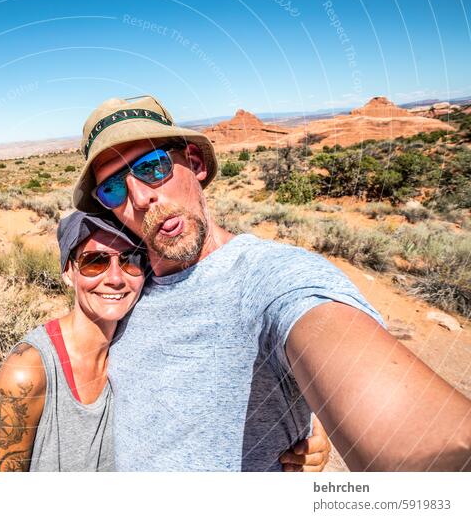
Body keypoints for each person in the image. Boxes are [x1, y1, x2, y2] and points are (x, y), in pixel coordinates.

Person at [71, 94, 471, 471]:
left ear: (195, 162)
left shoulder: (272, 281)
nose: (140, 198)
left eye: (152, 166)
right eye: (113, 187)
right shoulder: (121, 289)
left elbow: (415, 440)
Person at [0, 211, 332, 471]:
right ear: (68, 271)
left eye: (131, 260)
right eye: (94, 262)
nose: (115, 278)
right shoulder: (29, 369)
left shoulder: (141, 335)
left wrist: (308, 436)